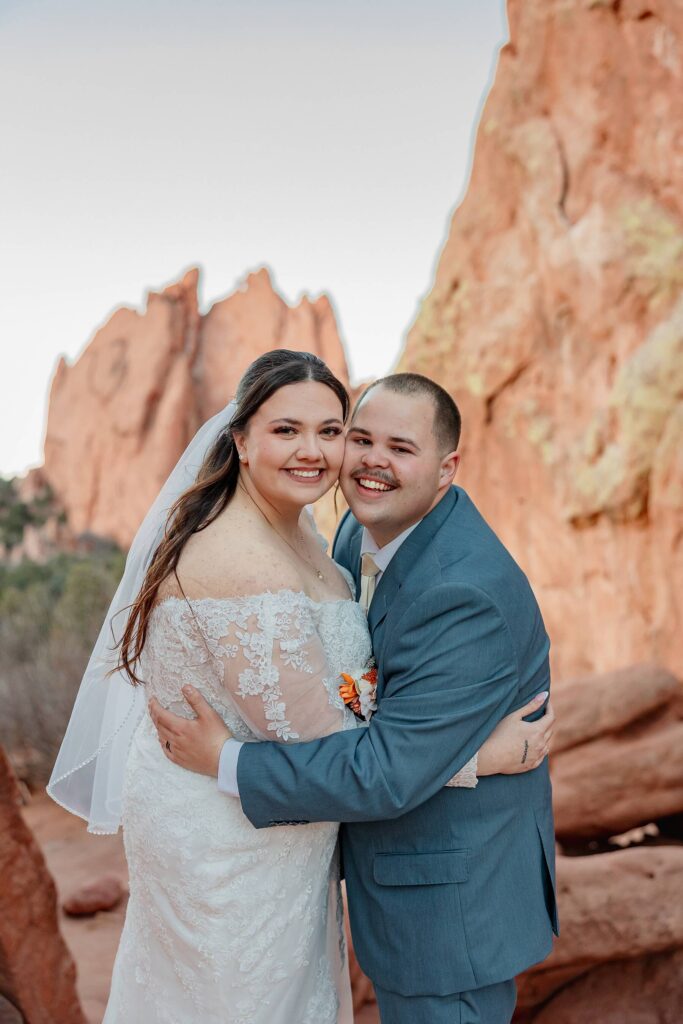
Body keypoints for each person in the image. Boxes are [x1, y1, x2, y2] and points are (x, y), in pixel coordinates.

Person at [49, 351, 550, 1024]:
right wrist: (473, 758)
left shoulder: (411, 567)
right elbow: (348, 740)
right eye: (357, 438)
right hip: (232, 841)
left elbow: (369, 744)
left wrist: (232, 756)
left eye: (333, 431)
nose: (344, 457)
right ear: (241, 440)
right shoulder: (289, 545)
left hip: (439, 895)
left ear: (445, 468)